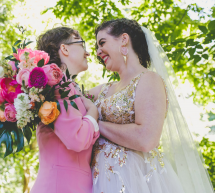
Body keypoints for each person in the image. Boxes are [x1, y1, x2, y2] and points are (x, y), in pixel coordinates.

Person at [87, 18, 213, 193]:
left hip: (136, 180)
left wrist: (95, 125)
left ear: (124, 39)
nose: (98, 52)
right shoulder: (103, 89)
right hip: (97, 181)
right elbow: (68, 97)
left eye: (102, 43)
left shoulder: (149, 80)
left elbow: (146, 139)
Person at [30, 26, 100, 193]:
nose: (87, 52)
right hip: (61, 186)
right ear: (65, 49)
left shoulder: (67, 86)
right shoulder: (59, 87)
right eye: (81, 44)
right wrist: (93, 112)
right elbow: (77, 138)